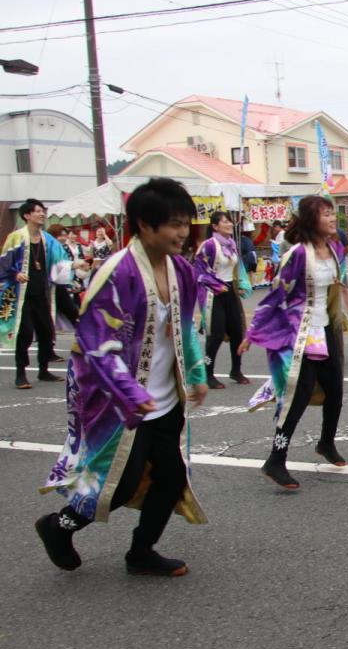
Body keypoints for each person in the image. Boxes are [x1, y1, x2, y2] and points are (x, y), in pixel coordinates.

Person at [34, 177, 209, 577]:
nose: (183, 232)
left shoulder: (181, 269)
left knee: (171, 476)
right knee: (120, 482)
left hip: (163, 396)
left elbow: (184, 327)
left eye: (186, 223)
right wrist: (130, 393)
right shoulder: (117, 272)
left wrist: (196, 373)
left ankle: (141, 552)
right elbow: (98, 344)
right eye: (174, 224)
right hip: (116, 401)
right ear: (145, 225)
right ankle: (59, 525)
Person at [244, 195, 348, 490]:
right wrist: (253, 333)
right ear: (310, 220)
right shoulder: (298, 255)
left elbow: (333, 291)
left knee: (335, 391)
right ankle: (275, 460)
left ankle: (326, 443)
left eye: (332, 213)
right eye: (326, 214)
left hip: (325, 330)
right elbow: (276, 296)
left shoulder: (334, 247)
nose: (332, 218)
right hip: (300, 333)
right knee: (297, 396)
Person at [0, 199, 74, 389]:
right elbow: (4, 263)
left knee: (46, 331)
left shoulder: (47, 239)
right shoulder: (15, 238)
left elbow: (61, 261)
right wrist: (15, 273)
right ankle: (20, 373)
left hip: (43, 293)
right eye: (38, 211)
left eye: (43, 211)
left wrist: (75, 266)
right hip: (21, 295)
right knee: (24, 332)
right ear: (27, 215)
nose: (42, 214)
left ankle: (43, 370)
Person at [193, 211, 252, 389]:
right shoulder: (209, 245)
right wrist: (215, 285)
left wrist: (241, 284)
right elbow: (199, 270)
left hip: (230, 291)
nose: (229, 224)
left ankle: (236, 370)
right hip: (213, 294)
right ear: (215, 226)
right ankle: (208, 372)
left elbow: (238, 267)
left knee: (237, 332)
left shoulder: (232, 244)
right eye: (225, 222)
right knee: (215, 335)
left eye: (229, 221)